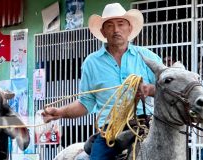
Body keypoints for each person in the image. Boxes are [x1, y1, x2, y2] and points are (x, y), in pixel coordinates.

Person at [42, 3, 162, 160]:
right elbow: (85, 104)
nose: (116, 30)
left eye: (120, 24)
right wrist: (60, 113)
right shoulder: (91, 63)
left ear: (130, 28)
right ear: (103, 32)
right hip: (110, 131)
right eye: (110, 26)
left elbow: (167, 87)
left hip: (144, 125)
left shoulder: (147, 57)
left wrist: (149, 90)